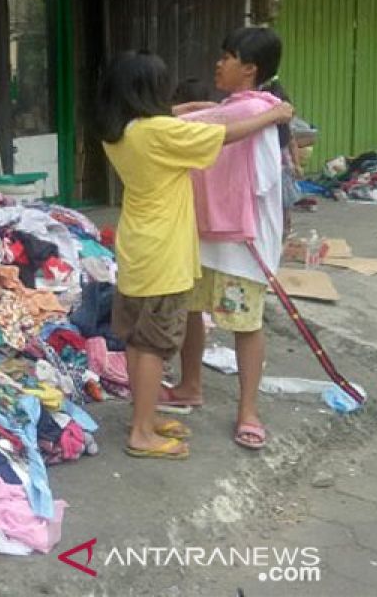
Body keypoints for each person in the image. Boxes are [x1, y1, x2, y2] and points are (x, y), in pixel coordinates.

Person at [99, 50, 293, 460]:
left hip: (137, 247)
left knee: (137, 340)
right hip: (164, 253)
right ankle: (141, 433)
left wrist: (191, 107)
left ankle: (146, 419)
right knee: (153, 344)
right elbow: (225, 136)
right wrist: (273, 116)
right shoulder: (159, 133)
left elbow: (166, 118)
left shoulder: (120, 129)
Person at [161, 27, 288, 451]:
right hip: (210, 231)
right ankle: (190, 385)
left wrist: (196, 109)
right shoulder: (246, 107)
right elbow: (205, 118)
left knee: (245, 323)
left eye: (227, 57)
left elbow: (168, 124)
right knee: (194, 310)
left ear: (249, 69)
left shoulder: (251, 108)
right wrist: (203, 104)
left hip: (240, 240)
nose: (218, 63)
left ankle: (248, 411)